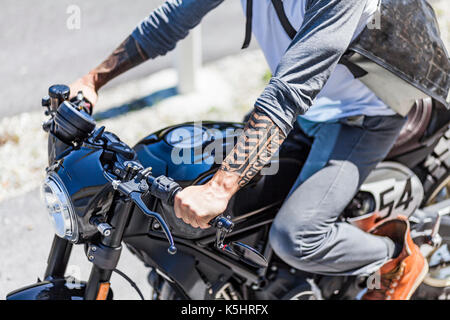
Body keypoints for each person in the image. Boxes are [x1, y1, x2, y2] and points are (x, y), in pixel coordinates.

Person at [70, 0, 428, 300]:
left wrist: (220, 187)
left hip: (363, 113)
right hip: (307, 107)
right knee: (197, 179)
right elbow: (172, 19)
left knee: (296, 236)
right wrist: (93, 80)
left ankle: (396, 256)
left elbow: (290, 90)